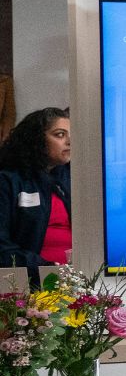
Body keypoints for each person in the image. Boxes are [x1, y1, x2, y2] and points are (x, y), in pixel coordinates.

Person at [0, 107, 72, 280]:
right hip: (30, 282)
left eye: (71, 134)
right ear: (37, 139)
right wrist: (45, 268)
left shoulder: (72, 178)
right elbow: (2, 246)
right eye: (60, 135)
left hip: (73, 279)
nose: (69, 141)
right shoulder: (8, 181)